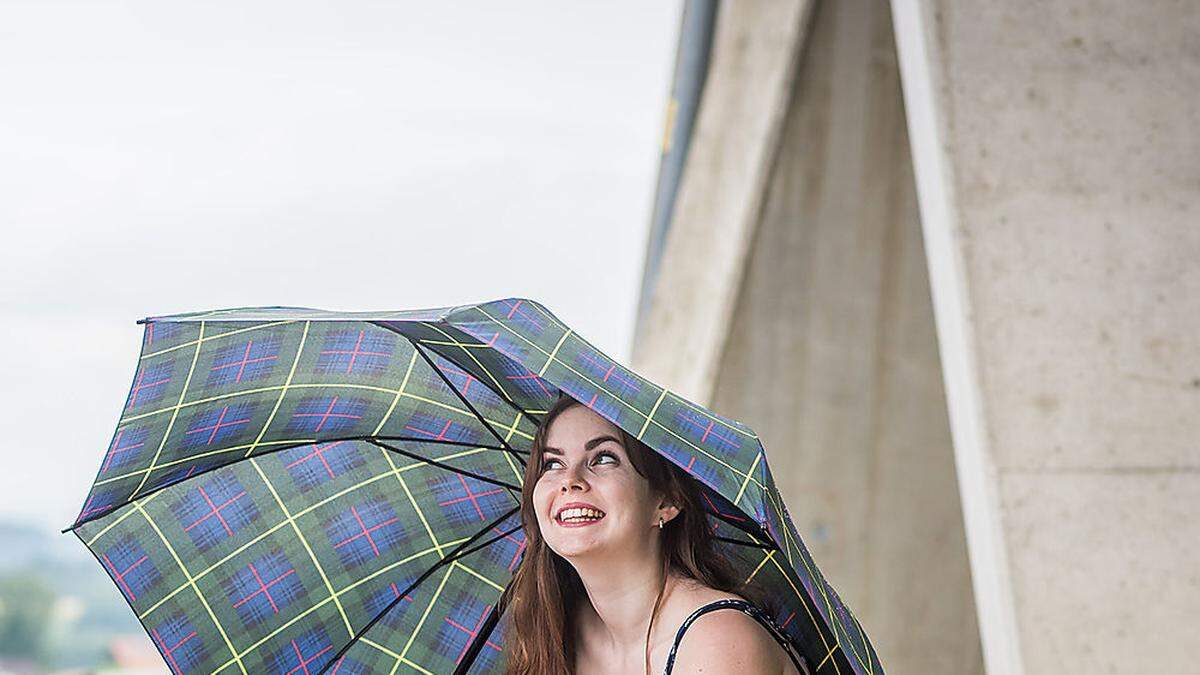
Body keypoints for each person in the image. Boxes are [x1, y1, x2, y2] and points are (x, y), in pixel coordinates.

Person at [501, 393, 810, 674]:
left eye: (604, 458)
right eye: (552, 463)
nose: (569, 480)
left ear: (666, 501)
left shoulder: (718, 640)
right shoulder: (553, 631)